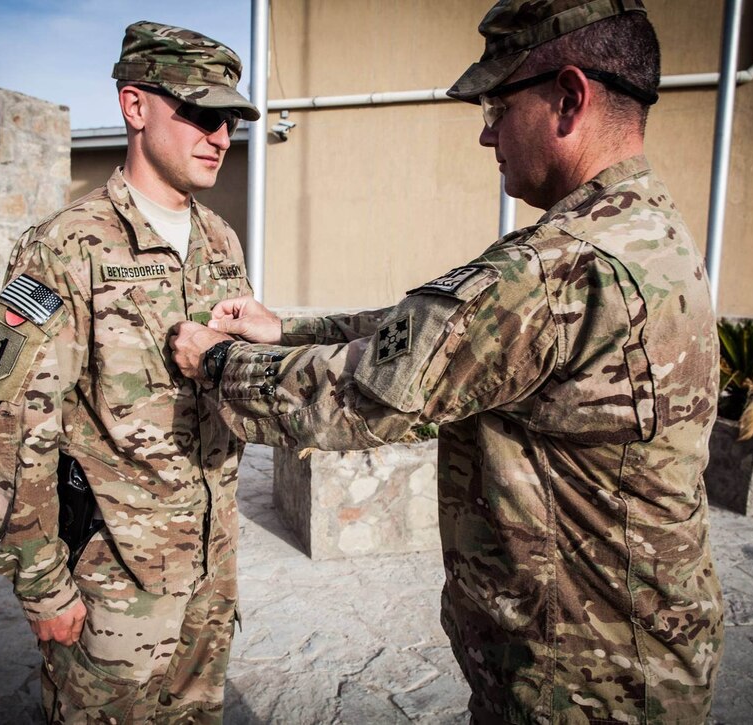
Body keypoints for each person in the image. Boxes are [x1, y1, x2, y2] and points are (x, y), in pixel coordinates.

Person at [170, 0, 724, 722]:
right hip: (645, 661)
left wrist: (215, 364)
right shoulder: (649, 231)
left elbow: (362, 394)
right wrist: (289, 327)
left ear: (568, 97)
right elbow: (448, 332)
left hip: (574, 685)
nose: (487, 133)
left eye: (498, 104)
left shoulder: (558, 268)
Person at [0, 21, 258, 724]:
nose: (220, 135)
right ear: (135, 107)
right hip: (115, 579)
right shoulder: (65, 246)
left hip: (210, 565)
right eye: (199, 112)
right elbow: (14, 426)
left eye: (228, 118)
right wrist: (42, 584)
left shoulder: (220, 238)